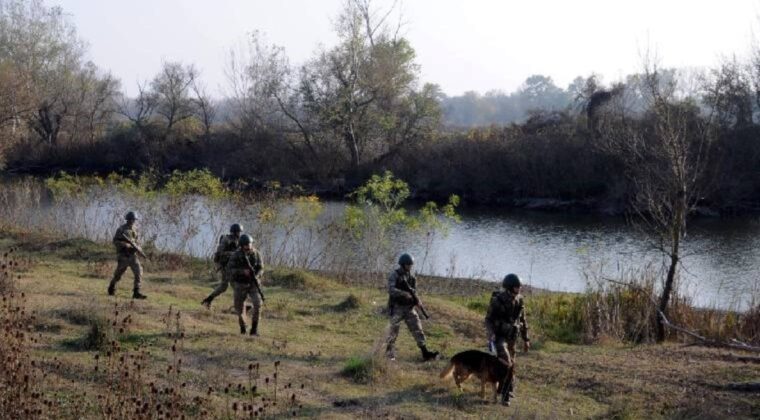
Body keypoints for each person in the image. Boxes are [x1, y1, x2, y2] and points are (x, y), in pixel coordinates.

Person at [485, 273, 531, 406]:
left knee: (512, 366)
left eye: (520, 287)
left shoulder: (520, 300)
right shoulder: (498, 300)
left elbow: (523, 320)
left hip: (512, 338)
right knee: (507, 362)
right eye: (517, 287)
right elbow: (488, 319)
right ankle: (505, 396)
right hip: (500, 337)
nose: (520, 289)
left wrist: (526, 339)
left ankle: (508, 388)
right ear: (510, 287)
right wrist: (491, 333)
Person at [385, 253, 439, 362]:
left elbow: (414, 291)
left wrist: (417, 301)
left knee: (417, 329)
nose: (410, 267)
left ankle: (425, 352)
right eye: (408, 265)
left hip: (409, 308)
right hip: (397, 307)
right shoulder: (394, 275)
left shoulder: (411, 277)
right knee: (393, 331)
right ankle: (389, 352)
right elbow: (391, 290)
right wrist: (404, 293)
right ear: (403, 264)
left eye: (411, 265)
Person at [225, 234, 264, 335]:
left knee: (258, 304)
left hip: (253, 284)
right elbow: (229, 269)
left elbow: (261, 267)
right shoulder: (236, 255)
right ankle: (243, 327)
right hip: (240, 284)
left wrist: (257, 275)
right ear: (242, 245)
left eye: (250, 244)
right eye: (246, 245)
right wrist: (242, 272)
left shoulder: (256, 254)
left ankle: (254, 329)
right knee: (239, 308)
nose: (249, 247)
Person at [201, 223, 243, 308]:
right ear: (234, 232)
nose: (239, 233)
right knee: (236, 286)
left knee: (224, 286)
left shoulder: (238, 240)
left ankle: (208, 300)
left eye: (240, 232)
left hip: (234, 266)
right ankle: (240, 306)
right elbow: (220, 253)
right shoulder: (226, 239)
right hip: (226, 266)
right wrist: (233, 254)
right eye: (238, 232)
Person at [108, 211, 146, 299]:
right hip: (123, 255)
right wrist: (125, 244)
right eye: (131, 219)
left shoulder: (135, 229)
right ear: (128, 219)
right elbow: (115, 241)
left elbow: (137, 241)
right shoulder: (121, 229)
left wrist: (138, 248)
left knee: (139, 272)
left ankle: (136, 292)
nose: (133, 221)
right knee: (118, 274)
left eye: (134, 220)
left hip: (133, 255)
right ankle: (112, 286)